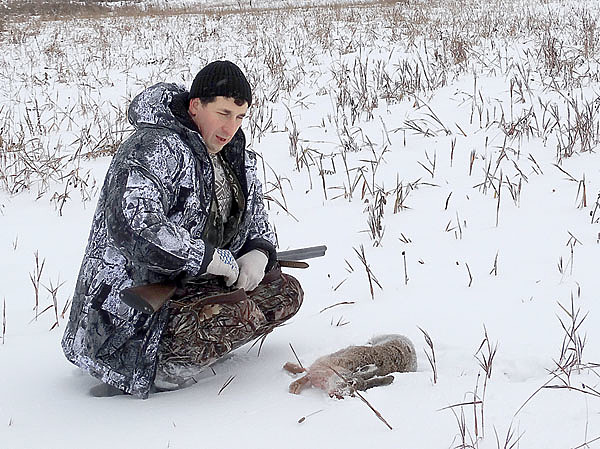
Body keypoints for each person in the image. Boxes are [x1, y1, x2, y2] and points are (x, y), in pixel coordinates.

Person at [61, 60, 303, 398]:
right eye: (223, 113)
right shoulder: (154, 147)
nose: (231, 126)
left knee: (285, 292)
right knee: (234, 314)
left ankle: (198, 341)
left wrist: (258, 252)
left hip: (197, 282)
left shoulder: (232, 154)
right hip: (133, 309)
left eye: (240, 116)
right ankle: (154, 370)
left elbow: (256, 214)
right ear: (195, 106)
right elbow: (135, 226)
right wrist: (206, 258)